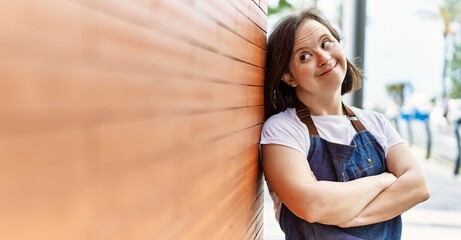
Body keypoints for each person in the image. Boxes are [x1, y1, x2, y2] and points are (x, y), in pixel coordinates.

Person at [260, 8, 429, 240]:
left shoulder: (375, 122)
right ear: (289, 77)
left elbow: (417, 186)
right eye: (304, 56)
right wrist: (384, 180)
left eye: (326, 43)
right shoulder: (282, 129)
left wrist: (352, 217)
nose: (323, 58)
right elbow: (312, 205)